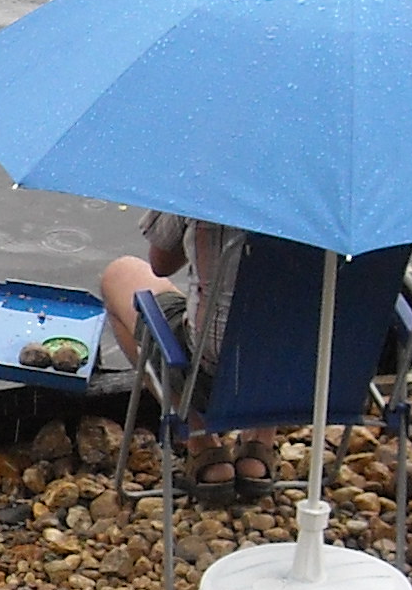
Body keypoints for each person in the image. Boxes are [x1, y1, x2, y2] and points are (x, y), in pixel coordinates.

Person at [98, 211, 278, 502]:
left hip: (211, 382)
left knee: (121, 274)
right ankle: (260, 446)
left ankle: (202, 445)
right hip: (314, 382)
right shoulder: (353, 197)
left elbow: (161, 263)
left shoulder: (206, 175)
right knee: (292, 317)